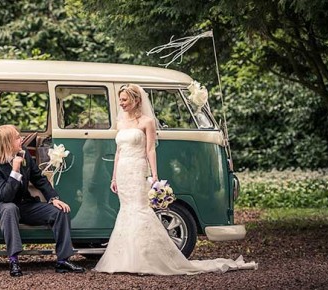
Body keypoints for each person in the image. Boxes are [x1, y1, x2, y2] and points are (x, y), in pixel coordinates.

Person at [93, 84, 257, 274]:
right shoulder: (120, 124)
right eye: (120, 100)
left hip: (137, 168)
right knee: (126, 210)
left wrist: (154, 175)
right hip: (122, 171)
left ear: (136, 100)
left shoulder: (147, 121)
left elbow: (150, 149)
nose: (121, 104)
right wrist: (114, 177)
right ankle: (126, 259)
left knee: (140, 209)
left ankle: (146, 257)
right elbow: (118, 152)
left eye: (124, 100)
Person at [0, 125, 85, 277]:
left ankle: (62, 261)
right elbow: (5, 196)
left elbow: (39, 179)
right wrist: (15, 170)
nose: (22, 140)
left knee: (60, 211)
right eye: (17, 138)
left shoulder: (24, 154)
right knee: (10, 208)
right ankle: (13, 260)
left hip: (24, 205)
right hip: (0, 207)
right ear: (7, 143)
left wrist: (54, 198)